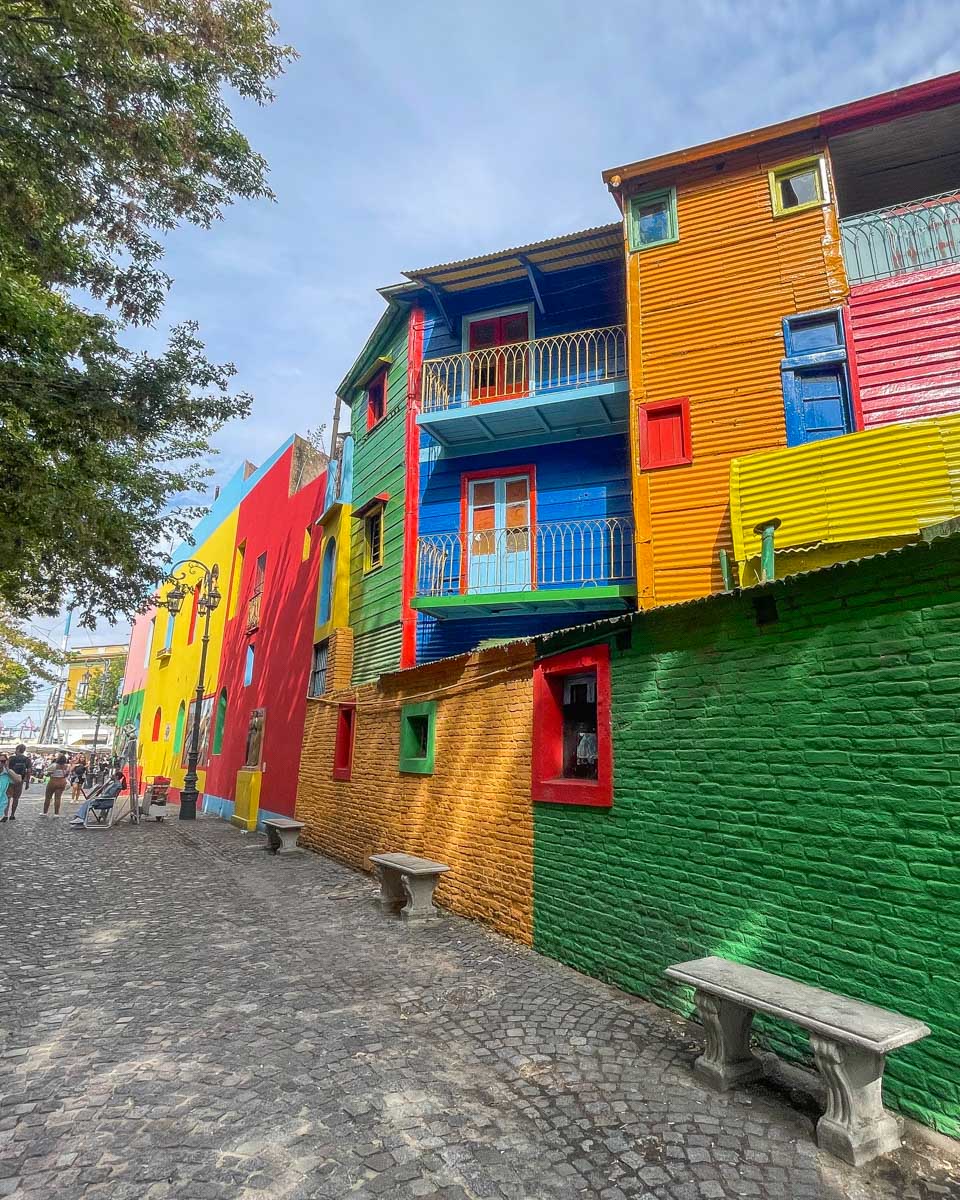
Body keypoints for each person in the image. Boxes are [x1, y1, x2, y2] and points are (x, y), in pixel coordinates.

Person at [5, 744, 31, 821]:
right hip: (20, 780)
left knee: (8, 798)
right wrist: (27, 783)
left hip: (10, 780)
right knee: (16, 798)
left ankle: (6, 815)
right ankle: (12, 815)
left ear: (18, 750)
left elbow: (7, 769)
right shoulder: (27, 759)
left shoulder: (11, 758)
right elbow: (29, 771)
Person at [0, 754, 14, 822]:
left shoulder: (7, 773)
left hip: (2, 800)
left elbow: (18, 780)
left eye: (2, 761)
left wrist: (7, 769)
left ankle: (7, 815)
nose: (0, 763)